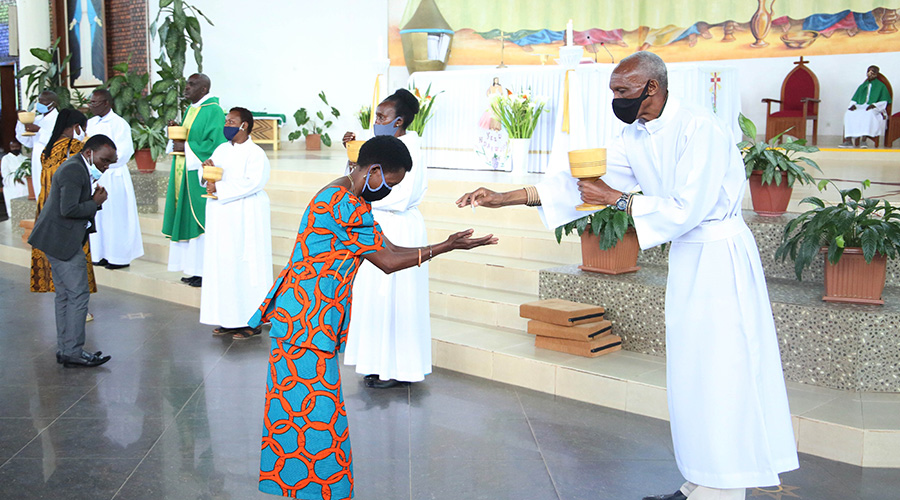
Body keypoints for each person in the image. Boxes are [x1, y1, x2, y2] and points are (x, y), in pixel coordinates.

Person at [457, 52, 798, 500]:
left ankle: (725, 487)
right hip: (691, 256)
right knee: (692, 370)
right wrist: (509, 197)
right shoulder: (634, 133)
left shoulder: (701, 128)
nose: (615, 100)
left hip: (720, 255)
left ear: (651, 88)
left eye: (622, 92)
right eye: (613, 92)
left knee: (722, 369)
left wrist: (617, 199)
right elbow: (579, 183)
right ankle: (700, 477)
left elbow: (684, 209)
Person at [249, 136, 496, 499]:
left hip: (303, 315)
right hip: (307, 319)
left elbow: (390, 248)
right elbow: (389, 262)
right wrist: (447, 246)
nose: (388, 192)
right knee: (312, 413)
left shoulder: (344, 192)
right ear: (374, 170)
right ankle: (311, 488)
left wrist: (443, 244)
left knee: (302, 409)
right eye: (390, 184)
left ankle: (297, 485)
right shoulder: (346, 204)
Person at [340, 88, 432, 389]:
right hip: (375, 224)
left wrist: (360, 198)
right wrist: (352, 156)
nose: (376, 121)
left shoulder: (411, 150)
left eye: (382, 117)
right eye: (375, 115)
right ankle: (375, 363)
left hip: (399, 227)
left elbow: (398, 196)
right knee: (373, 297)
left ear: (399, 121)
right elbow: (359, 179)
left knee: (397, 298)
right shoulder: (380, 145)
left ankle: (399, 368)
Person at [28, 134, 116, 368]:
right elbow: (68, 209)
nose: (106, 167)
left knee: (66, 295)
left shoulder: (78, 167)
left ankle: (67, 349)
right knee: (78, 294)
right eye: (104, 160)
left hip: (57, 239)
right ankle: (73, 351)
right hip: (61, 241)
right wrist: (95, 202)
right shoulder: (73, 170)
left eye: (110, 163)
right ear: (89, 153)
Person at [199, 107, 273, 340]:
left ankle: (252, 322)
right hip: (222, 217)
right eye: (226, 120)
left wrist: (219, 188)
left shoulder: (255, 153)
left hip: (244, 215)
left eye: (232, 121)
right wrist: (207, 172)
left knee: (246, 266)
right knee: (224, 267)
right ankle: (228, 319)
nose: (227, 124)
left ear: (245, 126)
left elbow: (254, 182)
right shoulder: (221, 149)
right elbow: (212, 178)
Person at [162, 73, 226, 287]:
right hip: (183, 171)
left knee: (201, 222)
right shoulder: (191, 109)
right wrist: (176, 133)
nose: (186, 87)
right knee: (188, 219)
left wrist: (186, 148)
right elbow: (190, 138)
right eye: (187, 83)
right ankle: (193, 269)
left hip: (199, 173)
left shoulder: (214, 110)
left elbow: (216, 143)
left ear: (204, 89)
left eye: (192, 84)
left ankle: (205, 270)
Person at [31, 109, 99, 302]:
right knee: (74, 256)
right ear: (76, 127)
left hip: (46, 206)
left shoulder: (48, 148)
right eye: (83, 129)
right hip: (69, 206)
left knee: (54, 256)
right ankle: (77, 303)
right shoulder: (76, 147)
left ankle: (62, 297)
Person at [86, 89, 143, 269]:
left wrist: (104, 163)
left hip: (113, 175)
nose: (91, 105)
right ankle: (99, 254)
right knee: (99, 216)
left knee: (115, 217)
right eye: (91, 102)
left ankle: (118, 257)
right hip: (94, 175)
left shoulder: (119, 124)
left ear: (106, 103)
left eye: (95, 102)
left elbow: (124, 151)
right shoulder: (90, 123)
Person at [16, 91, 60, 198]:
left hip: (51, 160)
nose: (39, 104)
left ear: (52, 103)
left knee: (51, 192)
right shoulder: (37, 119)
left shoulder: (59, 119)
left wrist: (39, 130)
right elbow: (28, 142)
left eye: (43, 101)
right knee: (39, 190)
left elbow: (57, 140)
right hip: (37, 161)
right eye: (39, 100)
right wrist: (21, 122)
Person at [840, 65, 891, 148]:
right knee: (849, 113)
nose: (870, 73)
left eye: (873, 71)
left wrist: (874, 105)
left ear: (877, 73)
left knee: (868, 114)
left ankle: (863, 141)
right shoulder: (862, 86)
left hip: (874, 108)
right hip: (860, 106)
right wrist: (853, 105)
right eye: (869, 71)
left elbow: (884, 101)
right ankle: (848, 140)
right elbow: (855, 99)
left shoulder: (881, 86)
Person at [1, 140, 28, 215]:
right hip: (11, 180)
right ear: (10, 148)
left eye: (16, 147)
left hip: (25, 180)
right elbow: (5, 173)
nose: (15, 148)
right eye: (13, 147)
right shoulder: (6, 158)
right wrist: (16, 178)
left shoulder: (25, 158)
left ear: (20, 147)